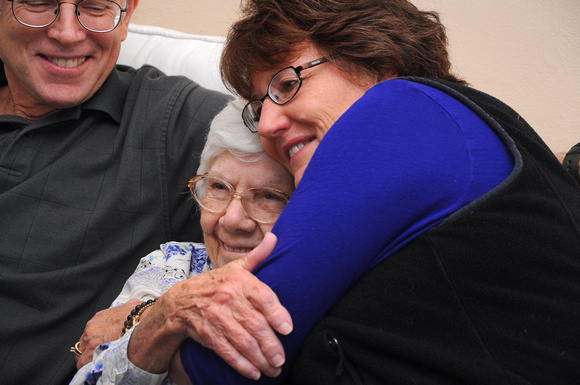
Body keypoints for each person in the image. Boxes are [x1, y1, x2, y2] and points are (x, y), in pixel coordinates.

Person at [70, 1, 580, 384]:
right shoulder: (448, 132)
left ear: (379, 60)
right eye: (257, 104)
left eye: (287, 84)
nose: (268, 121)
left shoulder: (400, 111)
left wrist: (148, 324)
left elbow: (220, 366)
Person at [0, 0, 233, 383]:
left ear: (127, 14)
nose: (68, 32)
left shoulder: (169, 123)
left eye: (94, 6)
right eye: (39, 3)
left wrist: (148, 315)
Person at [70, 99, 295, 384]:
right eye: (219, 188)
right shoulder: (172, 262)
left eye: (268, 196)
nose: (232, 219)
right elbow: (90, 376)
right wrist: (163, 314)